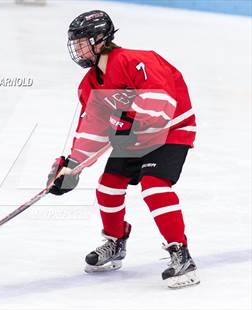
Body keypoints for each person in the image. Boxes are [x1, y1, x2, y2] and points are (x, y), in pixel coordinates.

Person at [47, 10, 200, 289]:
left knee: (154, 187)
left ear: (100, 39)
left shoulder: (137, 60)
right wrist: (72, 164)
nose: (77, 49)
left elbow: (161, 106)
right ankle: (115, 242)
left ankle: (182, 254)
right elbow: (92, 128)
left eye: (81, 41)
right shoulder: (90, 83)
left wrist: (122, 120)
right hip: (135, 138)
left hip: (171, 132)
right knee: (108, 186)